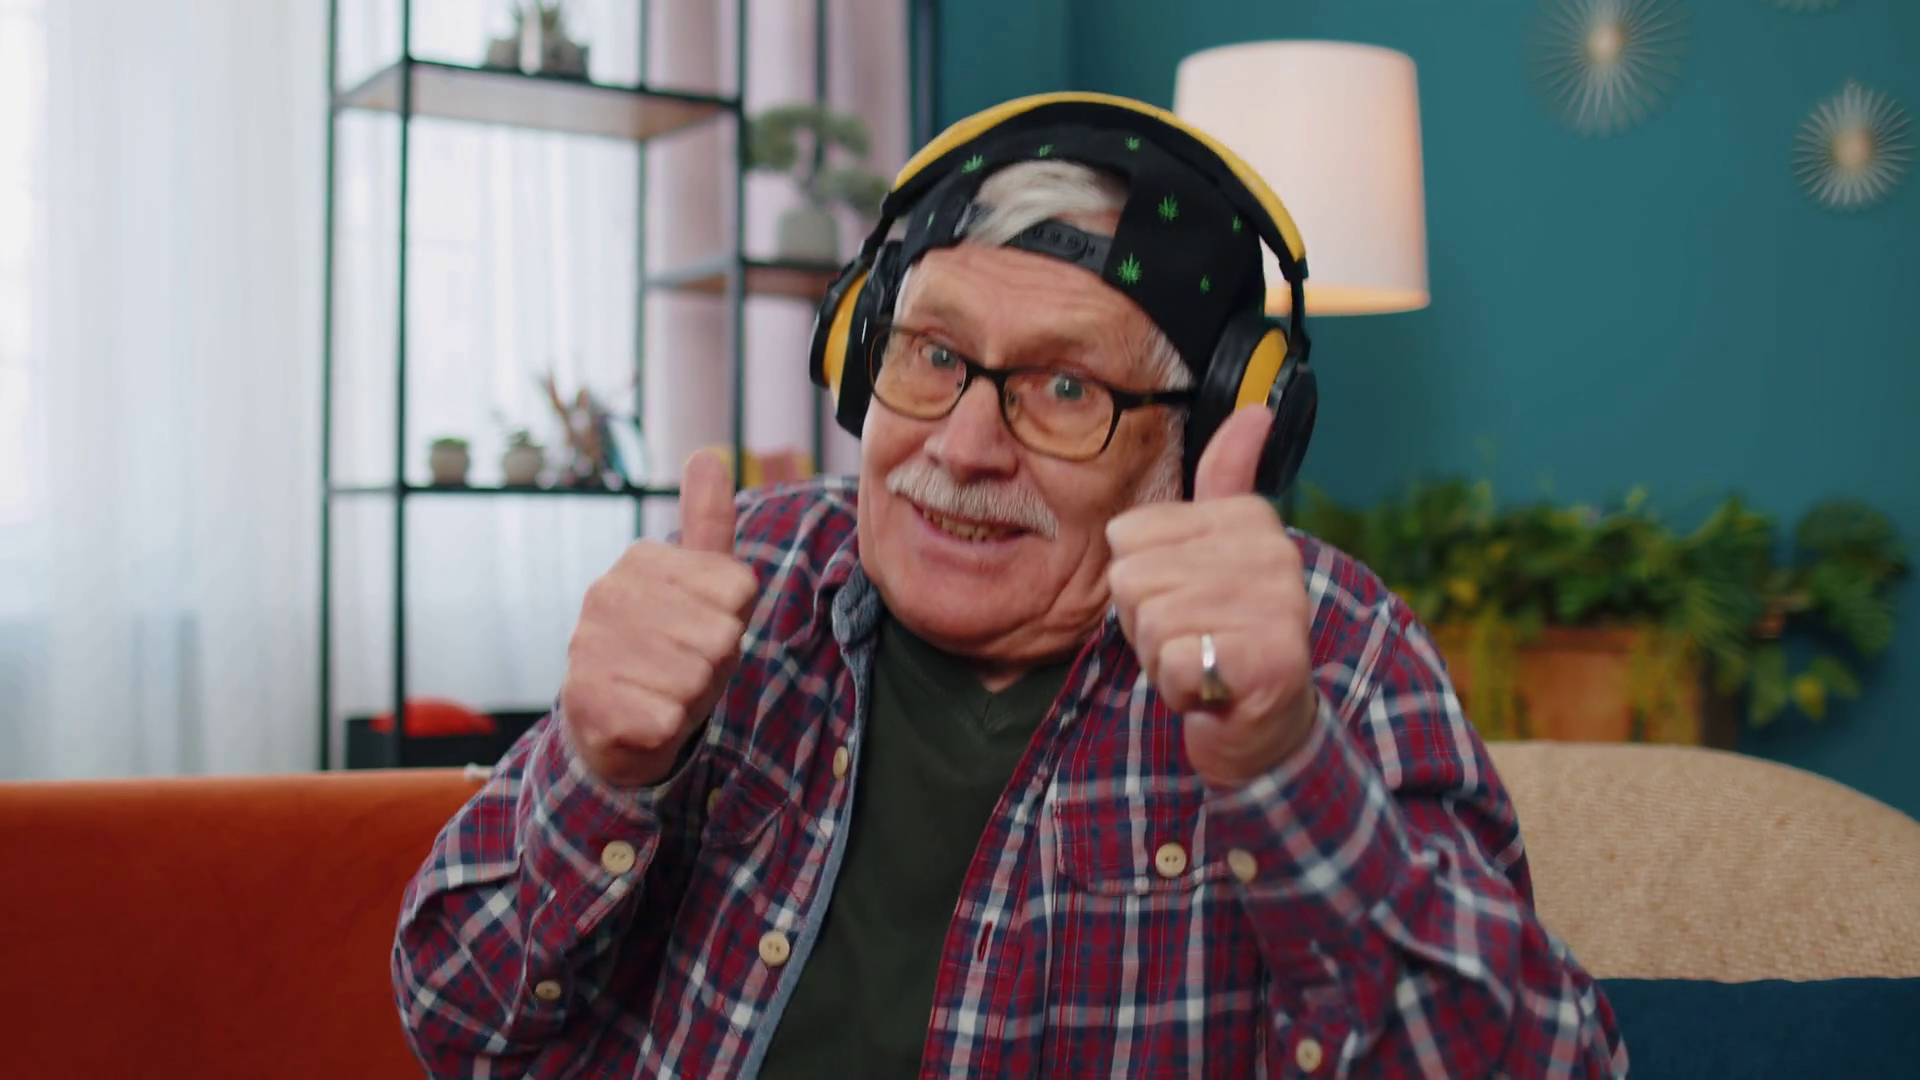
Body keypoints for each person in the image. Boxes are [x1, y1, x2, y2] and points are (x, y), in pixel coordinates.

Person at [391, 93, 1627, 1078]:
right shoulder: (745, 577)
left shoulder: (1326, 654)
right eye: (932, 355)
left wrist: (1282, 767)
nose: (965, 444)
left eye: (1066, 389)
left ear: (1195, 445)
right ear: (859, 357)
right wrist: (600, 772)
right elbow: (452, 1016)